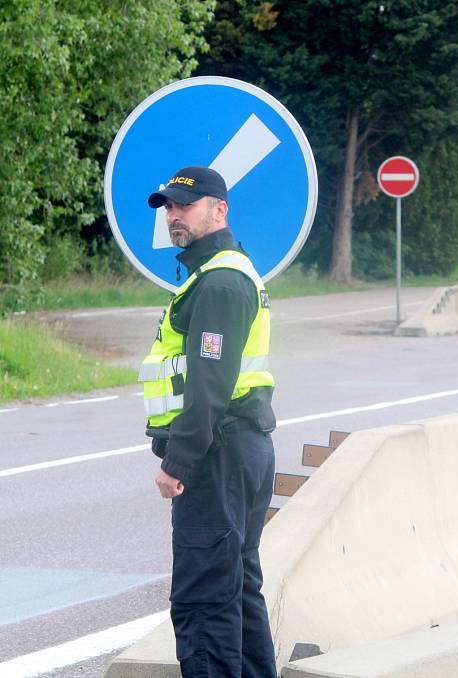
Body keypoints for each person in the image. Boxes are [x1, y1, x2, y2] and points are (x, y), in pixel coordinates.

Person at [140, 166, 279, 676]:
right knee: (236, 589)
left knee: (204, 600)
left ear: (219, 210)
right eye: (169, 208)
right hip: (238, 447)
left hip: (219, 451)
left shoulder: (220, 280)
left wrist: (178, 460)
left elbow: (209, 383)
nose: (174, 216)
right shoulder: (220, 273)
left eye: (185, 206)